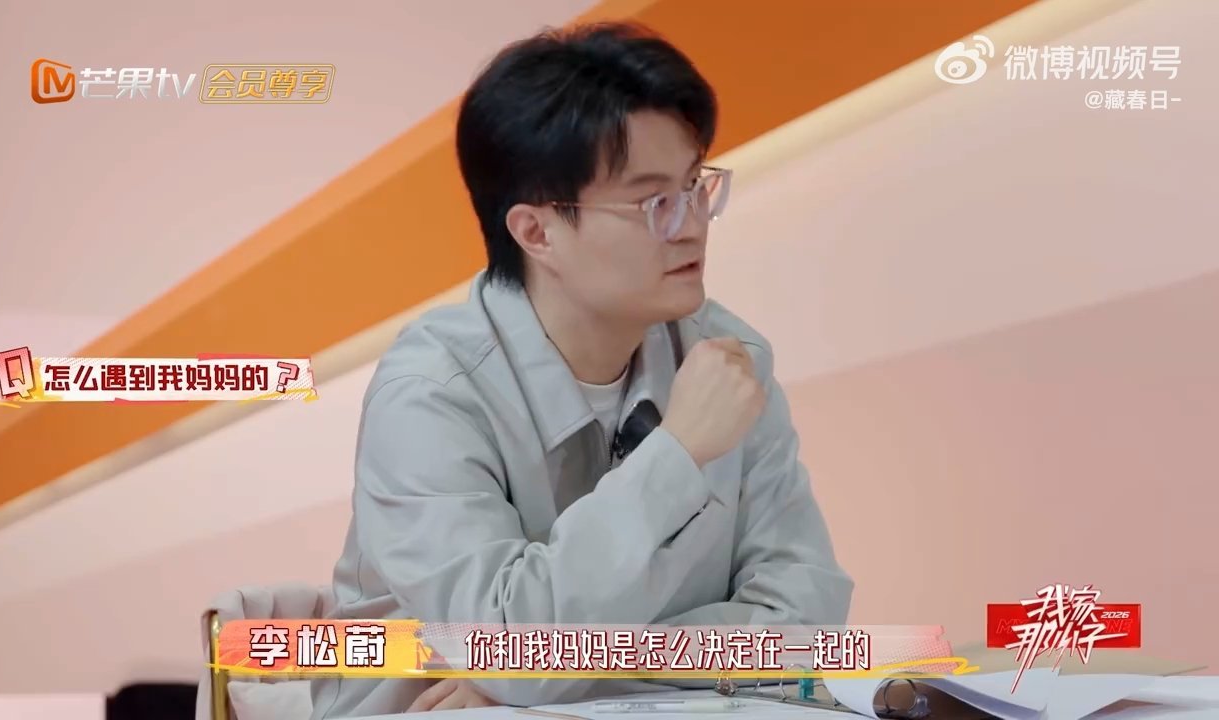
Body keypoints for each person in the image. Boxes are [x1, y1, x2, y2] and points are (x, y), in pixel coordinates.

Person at [311, 21, 853, 718]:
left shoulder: (725, 358)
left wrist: (582, 673)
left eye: (695, 186)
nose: (692, 223)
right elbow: (509, 650)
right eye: (653, 202)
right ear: (536, 232)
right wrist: (677, 454)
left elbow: (805, 622)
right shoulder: (431, 395)